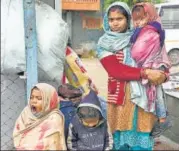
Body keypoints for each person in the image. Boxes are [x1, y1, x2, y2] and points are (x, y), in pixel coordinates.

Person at [97, 2, 167, 150]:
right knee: (121, 138)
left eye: (119, 19)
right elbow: (116, 70)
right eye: (111, 19)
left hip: (144, 96)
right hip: (120, 98)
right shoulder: (104, 43)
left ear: (127, 19)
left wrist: (162, 74)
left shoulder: (140, 36)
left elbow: (159, 58)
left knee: (142, 134)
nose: (115, 23)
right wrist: (146, 73)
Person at [131, 2, 172, 138]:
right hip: (152, 66)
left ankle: (162, 120)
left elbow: (137, 52)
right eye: (135, 20)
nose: (137, 23)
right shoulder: (148, 28)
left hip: (154, 66)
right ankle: (161, 119)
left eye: (141, 19)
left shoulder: (152, 30)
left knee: (157, 94)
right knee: (156, 94)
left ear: (149, 16)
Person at [13, 83, 66, 150]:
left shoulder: (54, 117)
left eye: (39, 98)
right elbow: (18, 132)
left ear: (49, 100)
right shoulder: (26, 112)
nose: (34, 101)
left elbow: (49, 142)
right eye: (31, 97)